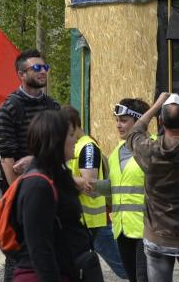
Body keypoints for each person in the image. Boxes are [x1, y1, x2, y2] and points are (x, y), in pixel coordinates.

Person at [126, 93, 179, 282]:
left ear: (160, 122)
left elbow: (133, 133)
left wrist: (157, 105)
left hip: (157, 238)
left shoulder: (148, 150)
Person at [12, 109, 102, 282]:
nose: (76, 139)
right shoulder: (38, 184)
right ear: (56, 141)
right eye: (70, 135)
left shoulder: (57, 174)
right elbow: (40, 248)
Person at [0, 50, 59, 282]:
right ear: (21, 74)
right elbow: (7, 158)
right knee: (21, 252)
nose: (43, 73)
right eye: (37, 68)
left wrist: (35, 158)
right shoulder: (10, 107)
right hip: (22, 191)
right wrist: (17, 197)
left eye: (45, 68)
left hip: (51, 187)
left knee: (49, 246)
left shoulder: (53, 105)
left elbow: (60, 148)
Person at [61, 106, 126, 279]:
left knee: (126, 267)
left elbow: (89, 182)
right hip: (82, 219)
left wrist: (57, 174)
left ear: (72, 125)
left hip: (92, 221)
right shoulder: (74, 145)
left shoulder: (87, 147)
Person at [108, 99, 152, 282]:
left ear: (139, 122)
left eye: (124, 120)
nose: (118, 125)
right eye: (117, 120)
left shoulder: (153, 148)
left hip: (147, 230)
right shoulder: (115, 152)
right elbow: (116, 187)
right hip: (122, 230)